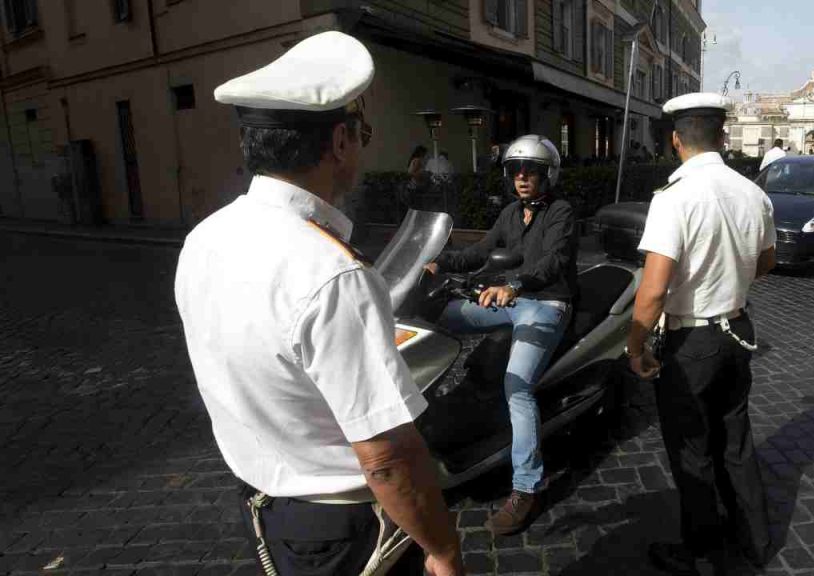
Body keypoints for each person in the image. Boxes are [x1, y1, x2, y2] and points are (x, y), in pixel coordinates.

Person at [174, 31, 463, 576]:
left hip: (266, 508)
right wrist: (445, 550)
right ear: (340, 142)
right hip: (344, 528)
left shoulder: (204, 238)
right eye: (363, 133)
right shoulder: (333, 273)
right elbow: (385, 458)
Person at [625, 92, 776, 575]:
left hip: (693, 344)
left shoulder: (676, 197)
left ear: (675, 140)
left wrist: (635, 344)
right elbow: (767, 263)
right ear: (723, 137)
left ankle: (701, 551)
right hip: (738, 329)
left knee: (691, 450)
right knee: (735, 439)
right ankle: (755, 540)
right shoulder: (754, 192)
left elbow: (653, 289)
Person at [424, 135, 577, 535]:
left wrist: (515, 284)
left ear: (548, 174)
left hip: (546, 304)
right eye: (515, 170)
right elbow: (481, 251)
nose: (523, 177)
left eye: (532, 170)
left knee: (517, 386)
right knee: (437, 319)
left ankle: (527, 487)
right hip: (508, 299)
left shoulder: (561, 212)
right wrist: (435, 262)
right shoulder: (511, 212)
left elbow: (553, 262)